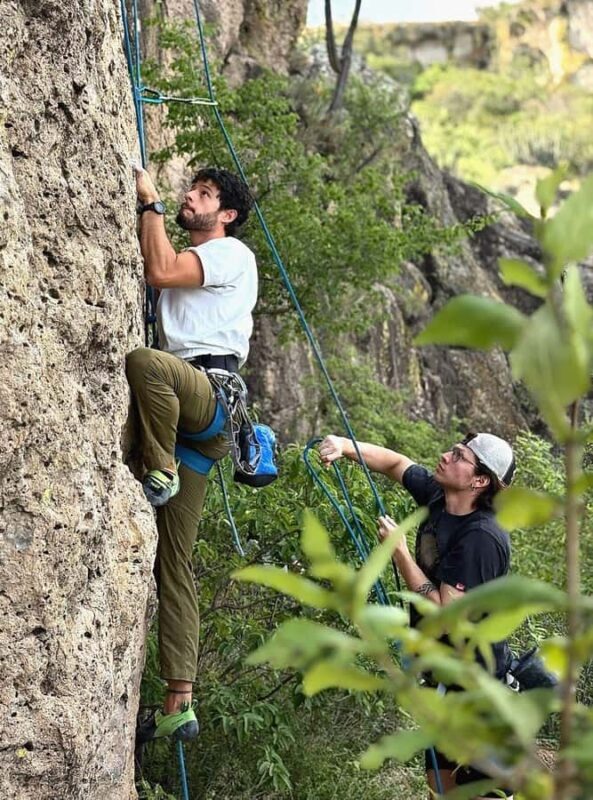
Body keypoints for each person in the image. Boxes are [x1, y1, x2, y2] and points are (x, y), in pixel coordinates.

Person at [126, 165, 256, 742]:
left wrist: (148, 202)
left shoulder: (231, 254)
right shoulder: (202, 256)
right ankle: (181, 699)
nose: (189, 197)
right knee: (172, 561)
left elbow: (160, 270)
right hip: (193, 417)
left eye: (202, 195)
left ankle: (159, 469)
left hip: (205, 397)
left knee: (145, 362)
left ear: (225, 214)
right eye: (190, 190)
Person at [318, 432, 516, 799]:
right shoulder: (441, 499)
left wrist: (401, 555)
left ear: (480, 480)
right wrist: (344, 447)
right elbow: (395, 463)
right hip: (442, 678)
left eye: (459, 456)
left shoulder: (481, 538)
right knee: (440, 785)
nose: (445, 455)